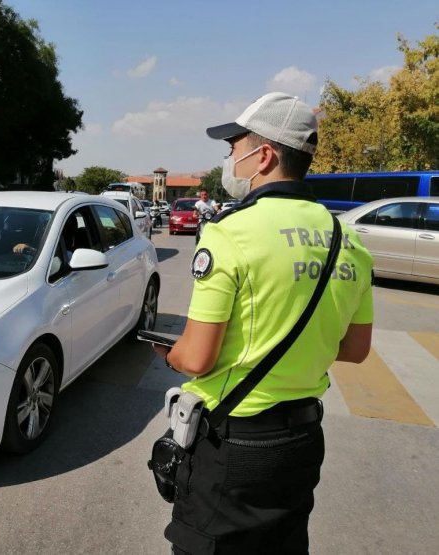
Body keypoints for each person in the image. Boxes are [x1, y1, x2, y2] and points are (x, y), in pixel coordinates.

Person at [151, 92, 374, 554]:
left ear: (265, 155)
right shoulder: (347, 240)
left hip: (236, 444)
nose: (231, 158)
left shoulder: (230, 233)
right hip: (303, 441)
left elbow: (197, 358)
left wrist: (167, 352)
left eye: (235, 147)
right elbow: (354, 349)